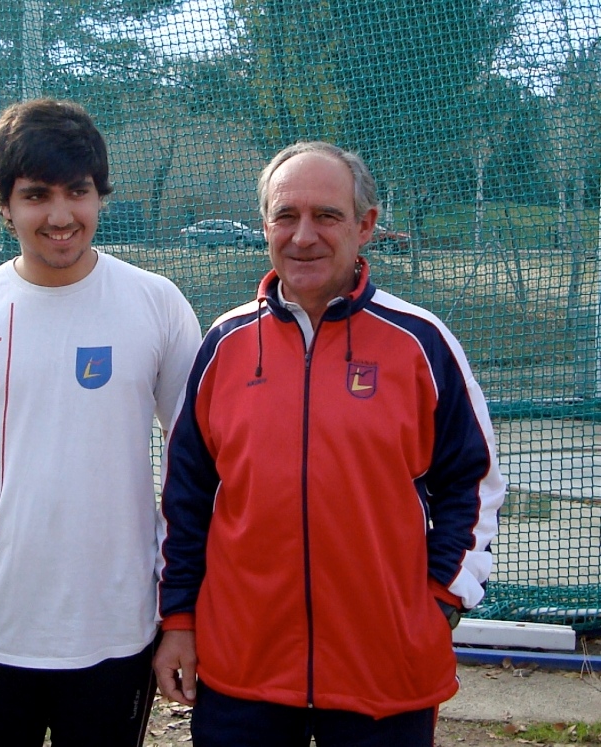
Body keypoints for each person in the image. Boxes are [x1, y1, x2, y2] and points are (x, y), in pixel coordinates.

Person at [153, 141, 506, 747]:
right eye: (286, 216)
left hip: (384, 672)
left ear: (365, 225)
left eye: (327, 216)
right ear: (265, 226)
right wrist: (179, 619)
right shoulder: (225, 344)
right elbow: (185, 499)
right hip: (243, 671)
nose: (304, 236)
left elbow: (473, 485)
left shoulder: (422, 343)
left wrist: (440, 601)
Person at [0, 98, 202, 746]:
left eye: (78, 192)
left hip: (116, 633)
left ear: (100, 196)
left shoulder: (156, 305)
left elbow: (196, 470)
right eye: (36, 195)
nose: (60, 216)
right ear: (5, 205)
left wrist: (182, 617)